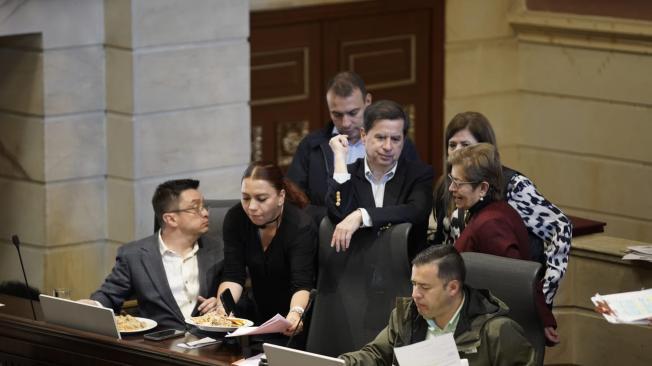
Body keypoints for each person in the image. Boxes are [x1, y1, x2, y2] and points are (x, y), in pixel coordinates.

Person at [432, 111, 571, 344]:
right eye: (452, 145)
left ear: (483, 187)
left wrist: (543, 311)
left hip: (494, 331)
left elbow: (513, 279)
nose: (457, 152)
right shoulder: (473, 205)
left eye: (465, 146)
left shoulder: (494, 219)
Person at [339, 245, 535, 366]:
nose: (415, 295)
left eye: (424, 287)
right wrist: (340, 364)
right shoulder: (407, 315)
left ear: (452, 287)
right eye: (414, 284)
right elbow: (376, 355)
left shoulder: (496, 331)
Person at [447, 143, 557, 342]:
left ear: (482, 188)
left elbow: (515, 280)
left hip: (497, 336)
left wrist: (543, 320)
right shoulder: (495, 210)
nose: (451, 188)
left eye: (457, 183)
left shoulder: (491, 224)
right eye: (451, 180)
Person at [83, 179, 222, 330]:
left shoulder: (219, 250)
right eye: (195, 208)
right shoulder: (135, 255)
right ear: (171, 219)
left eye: (204, 206)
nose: (206, 213)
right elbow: (110, 296)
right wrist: (90, 306)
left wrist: (221, 304)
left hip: (210, 345)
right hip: (159, 346)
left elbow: (240, 294)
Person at [287, 71, 419, 223]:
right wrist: (335, 216)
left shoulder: (398, 145)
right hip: (327, 236)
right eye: (337, 115)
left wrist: (364, 217)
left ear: (368, 101)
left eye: (353, 113)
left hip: (385, 235)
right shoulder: (311, 147)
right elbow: (295, 201)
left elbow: (413, 200)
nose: (346, 123)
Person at [216, 162, 317, 344]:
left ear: (281, 197)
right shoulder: (236, 218)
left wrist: (295, 314)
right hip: (257, 310)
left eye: (261, 199)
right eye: (245, 198)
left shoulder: (301, 226)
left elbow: (302, 283)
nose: (252, 207)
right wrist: (223, 309)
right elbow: (233, 274)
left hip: (296, 315)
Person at [326, 99, 433, 260]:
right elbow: (338, 214)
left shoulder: (418, 174)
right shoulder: (348, 175)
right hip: (355, 272)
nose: (388, 147)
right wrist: (340, 158)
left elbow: (416, 210)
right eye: (381, 137)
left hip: (406, 274)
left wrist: (363, 215)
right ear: (363, 135)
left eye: (395, 139)